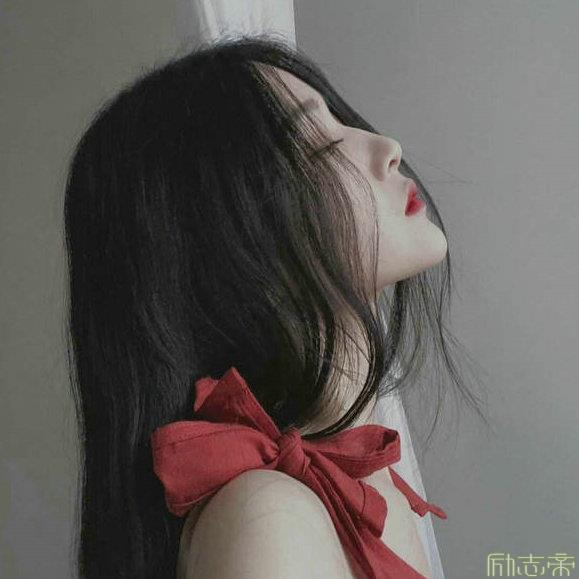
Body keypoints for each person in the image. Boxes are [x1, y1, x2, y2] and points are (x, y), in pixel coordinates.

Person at [64, 35, 487, 578]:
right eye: (321, 146)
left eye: (341, 122)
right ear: (227, 236)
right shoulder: (270, 518)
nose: (387, 147)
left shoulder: (366, 485)